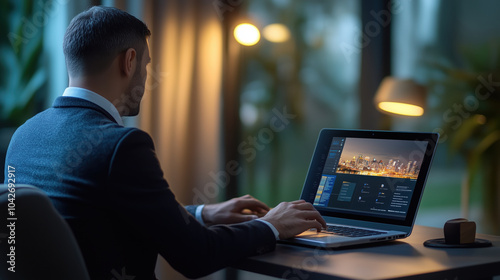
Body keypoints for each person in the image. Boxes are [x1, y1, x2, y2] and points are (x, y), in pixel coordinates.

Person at [4, 6, 326, 280]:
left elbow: (92, 219)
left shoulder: (24, 135)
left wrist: (200, 214)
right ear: (128, 62)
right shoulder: (121, 145)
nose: (144, 79)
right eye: (145, 66)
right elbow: (196, 256)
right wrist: (272, 225)